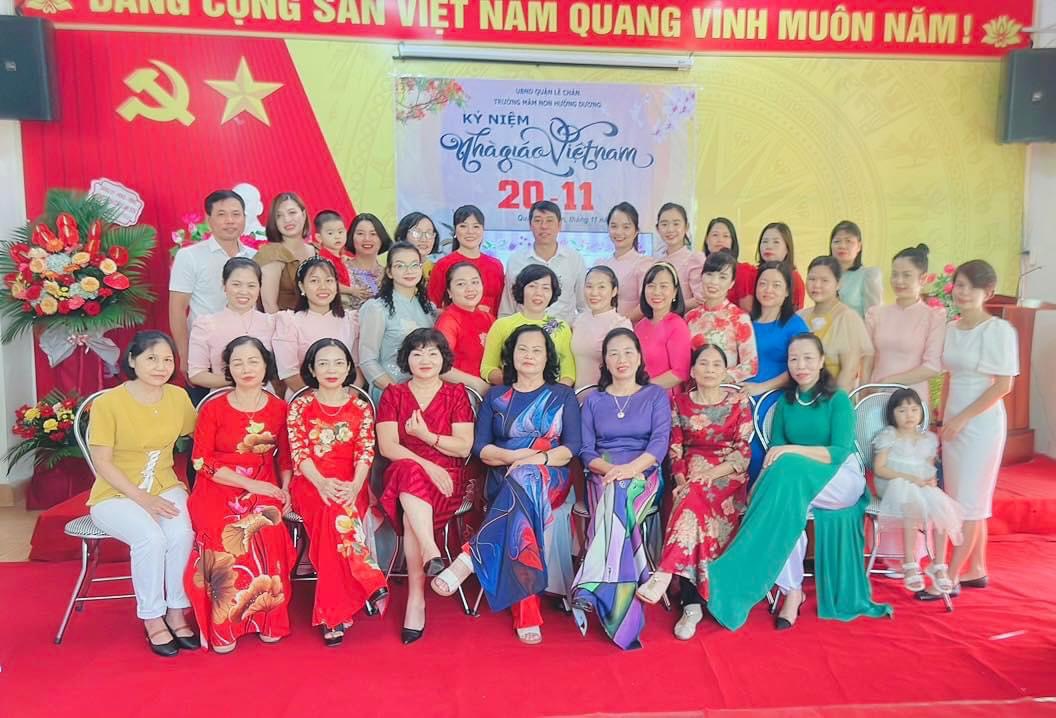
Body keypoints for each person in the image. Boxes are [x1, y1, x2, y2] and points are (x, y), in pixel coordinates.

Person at [661, 333, 890, 631]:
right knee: (783, 509)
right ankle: (792, 592)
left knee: (783, 482)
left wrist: (793, 450)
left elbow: (839, 452)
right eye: (794, 359)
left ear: (821, 361)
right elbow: (774, 456)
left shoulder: (838, 400)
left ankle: (731, 577)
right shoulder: (786, 404)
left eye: (808, 358)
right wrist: (768, 477)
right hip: (797, 484)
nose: (800, 365)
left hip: (839, 479)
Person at [430, 325, 582, 645]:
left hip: (550, 475)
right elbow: (480, 448)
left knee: (525, 479)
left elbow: (572, 447)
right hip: (502, 475)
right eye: (522, 349)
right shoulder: (496, 396)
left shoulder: (562, 395)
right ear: (511, 355)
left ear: (548, 357)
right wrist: (513, 457)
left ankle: (472, 557)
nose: (529, 355)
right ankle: (525, 612)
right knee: (521, 496)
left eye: (537, 350)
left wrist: (535, 460)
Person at [86, 331, 198, 656]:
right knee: (151, 538)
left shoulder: (177, 397)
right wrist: (143, 499)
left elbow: (202, 435)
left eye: (167, 360)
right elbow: (102, 462)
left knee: (181, 533)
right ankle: (152, 617)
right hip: (115, 493)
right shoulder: (108, 403)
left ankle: (176, 610)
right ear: (132, 360)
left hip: (165, 484)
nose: (160, 366)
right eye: (151, 358)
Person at [184, 337, 296, 653]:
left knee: (268, 527)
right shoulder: (213, 408)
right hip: (218, 482)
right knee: (224, 534)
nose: (246, 369)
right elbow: (201, 461)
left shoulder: (279, 408)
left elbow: (286, 459)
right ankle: (225, 627)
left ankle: (268, 618)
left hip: (265, 480)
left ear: (265, 366)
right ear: (229, 369)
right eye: (238, 363)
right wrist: (250, 486)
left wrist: (285, 489)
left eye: (253, 361)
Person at [635, 343, 754, 640]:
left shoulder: (738, 402)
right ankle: (691, 606)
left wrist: (709, 475)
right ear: (692, 371)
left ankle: (666, 575)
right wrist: (680, 482)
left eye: (716, 364)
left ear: (725, 371)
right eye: (703, 363)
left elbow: (742, 452)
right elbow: (675, 450)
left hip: (727, 476)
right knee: (689, 501)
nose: (709, 369)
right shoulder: (679, 403)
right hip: (690, 476)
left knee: (691, 498)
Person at [918, 260, 1018, 601]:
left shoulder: (998, 331)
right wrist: (943, 416)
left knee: (972, 502)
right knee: (958, 494)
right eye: (959, 285)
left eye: (972, 288)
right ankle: (977, 567)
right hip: (953, 422)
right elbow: (949, 376)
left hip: (982, 424)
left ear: (987, 293)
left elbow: (1002, 386)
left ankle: (951, 576)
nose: (963, 293)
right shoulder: (951, 327)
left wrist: (962, 419)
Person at [571, 329, 671, 650]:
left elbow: (659, 444)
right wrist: (611, 471)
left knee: (619, 494)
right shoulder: (594, 401)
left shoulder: (655, 396)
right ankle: (616, 596)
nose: (621, 359)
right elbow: (586, 451)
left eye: (628, 352)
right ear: (605, 361)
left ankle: (591, 581)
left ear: (639, 357)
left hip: (644, 473)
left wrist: (629, 470)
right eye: (613, 353)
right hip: (602, 475)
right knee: (615, 495)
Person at [287, 338, 389, 646]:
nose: (331, 370)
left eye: (338, 363)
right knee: (333, 512)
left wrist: (356, 485)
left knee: (335, 515)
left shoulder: (360, 407)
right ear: (311, 369)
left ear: (348, 369)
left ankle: (334, 614)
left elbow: (365, 451)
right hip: (310, 481)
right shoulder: (300, 405)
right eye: (323, 363)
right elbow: (299, 453)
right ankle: (368, 579)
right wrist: (321, 482)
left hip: (351, 482)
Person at [376, 329, 475, 644]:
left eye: (432, 353)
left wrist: (426, 437)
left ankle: (415, 598)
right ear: (406, 359)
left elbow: (463, 447)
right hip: (408, 473)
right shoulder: (394, 394)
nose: (425, 360)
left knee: (411, 513)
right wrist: (428, 465)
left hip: (447, 479)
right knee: (408, 471)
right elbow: (388, 447)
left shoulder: (456, 393)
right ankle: (431, 552)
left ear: (443, 358)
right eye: (417, 353)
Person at [872, 388, 964, 593]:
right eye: (902, 410)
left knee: (941, 508)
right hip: (893, 483)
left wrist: (930, 480)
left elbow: (929, 468)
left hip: (920, 484)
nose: (909, 415)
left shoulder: (928, 439)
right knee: (912, 504)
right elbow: (880, 468)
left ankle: (938, 565)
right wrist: (910, 478)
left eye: (914, 410)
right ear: (892, 414)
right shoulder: (889, 436)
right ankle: (910, 562)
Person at [169, 190, 256, 393]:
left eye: (236, 214)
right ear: (208, 220)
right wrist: (185, 354)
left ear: (244, 218)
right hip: (204, 355)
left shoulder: (255, 256)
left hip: (249, 355)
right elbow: (177, 309)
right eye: (221, 214)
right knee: (206, 409)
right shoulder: (189, 256)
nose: (230, 220)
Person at [741, 261, 809, 481]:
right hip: (743, 394)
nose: (768, 290)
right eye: (763, 283)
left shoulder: (795, 325)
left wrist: (762, 387)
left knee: (760, 447)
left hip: (775, 397)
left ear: (787, 291)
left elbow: (803, 368)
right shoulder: (745, 321)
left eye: (776, 285)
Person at [863, 244, 946, 401]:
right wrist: (863, 392)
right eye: (894, 274)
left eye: (906, 275)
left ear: (923, 278)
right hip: (876, 398)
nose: (898, 281)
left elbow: (932, 367)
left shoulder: (933, 317)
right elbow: (867, 359)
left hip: (912, 402)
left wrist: (888, 382)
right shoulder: (876, 314)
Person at [359, 242, 437, 404]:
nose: (409, 271)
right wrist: (398, 392)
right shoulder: (377, 308)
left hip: (426, 392)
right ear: (389, 272)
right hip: (390, 392)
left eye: (414, 265)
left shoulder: (429, 308)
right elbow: (367, 361)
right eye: (400, 266)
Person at [272, 257, 359, 395]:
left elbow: (357, 366)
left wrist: (348, 399)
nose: (323, 287)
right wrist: (318, 402)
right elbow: (289, 373)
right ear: (301, 286)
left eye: (329, 281)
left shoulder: (351, 320)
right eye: (314, 281)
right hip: (303, 398)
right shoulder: (289, 321)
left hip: (344, 398)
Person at [481, 264, 576, 387]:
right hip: (512, 392)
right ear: (521, 289)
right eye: (532, 286)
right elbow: (487, 368)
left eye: (545, 288)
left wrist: (551, 393)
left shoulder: (561, 327)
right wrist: (519, 385)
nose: (538, 293)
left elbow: (569, 374)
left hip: (551, 395)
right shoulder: (502, 325)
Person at [187, 257, 275, 391]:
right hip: (223, 397)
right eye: (236, 284)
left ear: (259, 287)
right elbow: (196, 374)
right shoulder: (206, 324)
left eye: (251, 285)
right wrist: (238, 378)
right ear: (224, 285)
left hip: (264, 396)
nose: (243, 291)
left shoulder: (272, 322)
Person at [500, 200, 586, 324]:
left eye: (549, 220)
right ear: (530, 225)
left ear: (559, 225)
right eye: (538, 220)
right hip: (524, 332)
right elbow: (507, 308)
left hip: (562, 332)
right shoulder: (516, 260)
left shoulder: (574, 259)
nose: (544, 226)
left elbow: (584, 306)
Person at [798, 256, 874, 391]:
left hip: (833, 397)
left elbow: (849, 371)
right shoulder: (800, 316)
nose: (817, 285)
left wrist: (833, 401)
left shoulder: (847, 318)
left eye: (824, 280)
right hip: (801, 396)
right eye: (812, 279)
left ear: (838, 284)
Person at [685, 251, 758, 383]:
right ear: (701, 277)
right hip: (695, 389)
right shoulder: (690, 317)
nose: (714, 282)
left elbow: (750, 365)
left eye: (722, 277)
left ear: (731, 283)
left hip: (725, 390)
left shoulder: (739, 318)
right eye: (709, 274)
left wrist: (717, 378)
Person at [428, 205, 505, 317]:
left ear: (483, 230)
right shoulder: (443, 264)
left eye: (476, 226)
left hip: (492, 326)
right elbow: (432, 307)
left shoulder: (496, 265)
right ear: (455, 231)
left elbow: (501, 306)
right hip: (456, 326)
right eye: (463, 226)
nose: (470, 232)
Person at [434, 261, 494, 396]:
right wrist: (476, 383)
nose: (470, 288)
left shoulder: (489, 318)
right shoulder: (448, 321)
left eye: (475, 282)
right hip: (461, 393)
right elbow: (439, 365)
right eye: (461, 284)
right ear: (449, 292)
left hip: (489, 390)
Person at [571, 266, 632, 390]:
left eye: (601, 287)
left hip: (603, 395)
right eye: (589, 286)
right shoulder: (579, 320)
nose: (594, 293)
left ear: (614, 291)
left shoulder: (620, 325)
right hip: (576, 394)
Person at [634, 262, 691, 393]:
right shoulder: (640, 326)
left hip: (664, 398)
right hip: (639, 397)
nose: (656, 292)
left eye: (663, 286)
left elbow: (680, 373)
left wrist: (642, 389)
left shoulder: (677, 326)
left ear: (675, 292)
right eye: (651, 286)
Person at [255, 192, 316, 313]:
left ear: (303, 215)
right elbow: (269, 305)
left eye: (292, 212)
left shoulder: (315, 251)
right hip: (281, 322)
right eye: (279, 216)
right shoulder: (271, 253)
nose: (287, 219)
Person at [733, 223, 806, 312]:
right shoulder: (749, 275)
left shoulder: (794, 279)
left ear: (787, 248)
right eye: (765, 241)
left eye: (776, 242)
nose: (769, 246)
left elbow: (797, 312)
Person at [597, 202, 651, 320]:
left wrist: (620, 324)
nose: (619, 232)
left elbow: (645, 304)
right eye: (614, 226)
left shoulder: (644, 264)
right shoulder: (601, 264)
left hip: (631, 328)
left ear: (636, 231)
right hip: (603, 327)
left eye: (626, 227)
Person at [655, 202, 706, 311]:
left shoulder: (694, 259)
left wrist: (670, 307)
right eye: (664, 224)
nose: (670, 229)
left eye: (676, 224)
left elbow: (701, 299)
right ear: (657, 229)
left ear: (686, 227)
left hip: (685, 319)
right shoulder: (656, 261)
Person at [829, 220, 883, 318]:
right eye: (837, 241)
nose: (842, 246)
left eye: (848, 241)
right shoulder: (825, 275)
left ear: (859, 246)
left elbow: (874, 318)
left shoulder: (868, 275)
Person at [343, 213, 390, 311]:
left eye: (373, 234)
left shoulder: (389, 274)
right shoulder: (341, 271)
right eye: (360, 234)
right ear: (351, 237)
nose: (367, 239)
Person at [702, 217, 754, 307]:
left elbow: (747, 310)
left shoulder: (744, 272)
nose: (720, 240)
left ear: (732, 241)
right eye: (715, 235)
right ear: (707, 240)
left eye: (725, 236)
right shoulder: (697, 267)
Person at [313, 209, 357, 312]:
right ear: (319, 237)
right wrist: (352, 290)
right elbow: (328, 283)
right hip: (336, 301)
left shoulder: (343, 256)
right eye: (330, 233)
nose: (337, 236)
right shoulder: (323, 259)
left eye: (340, 232)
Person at [394, 212, 440, 281]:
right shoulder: (394, 269)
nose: (424, 239)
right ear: (403, 236)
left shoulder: (438, 270)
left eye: (429, 233)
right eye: (417, 233)